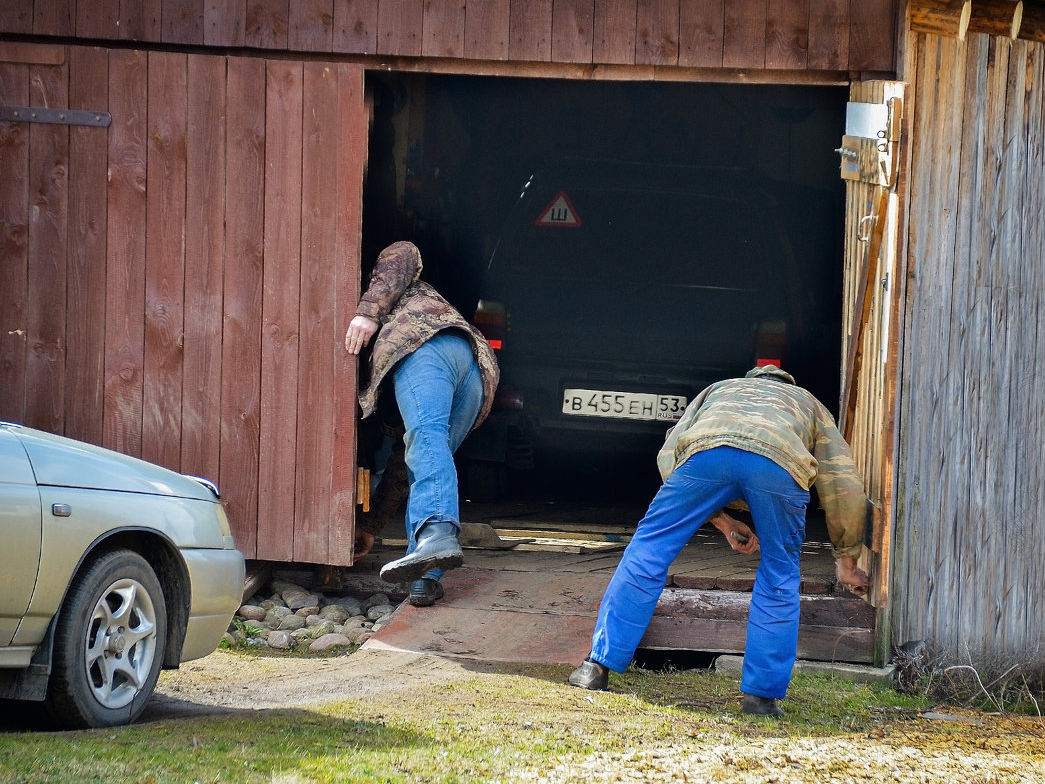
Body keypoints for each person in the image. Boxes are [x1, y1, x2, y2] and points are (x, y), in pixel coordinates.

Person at [567, 365, 870, 717]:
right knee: (780, 572)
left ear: (749, 381)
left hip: (707, 456)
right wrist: (847, 560)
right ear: (788, 386)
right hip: (778, 464)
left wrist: (718, 517)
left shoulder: (719, 389)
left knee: (648, 549)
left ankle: (596, 668)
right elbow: (843, 485)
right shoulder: (810, 404)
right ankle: (761, 699)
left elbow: (669, 454)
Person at [345, 240, 499, 606]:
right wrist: (369, 526)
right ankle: (425, 579)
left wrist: (367, 313)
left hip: (425, 347)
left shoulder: (383, 275)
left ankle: (439, 532)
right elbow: (401, 466)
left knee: (426, 440)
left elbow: (405, 250)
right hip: (473, 374)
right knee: (425, 457)